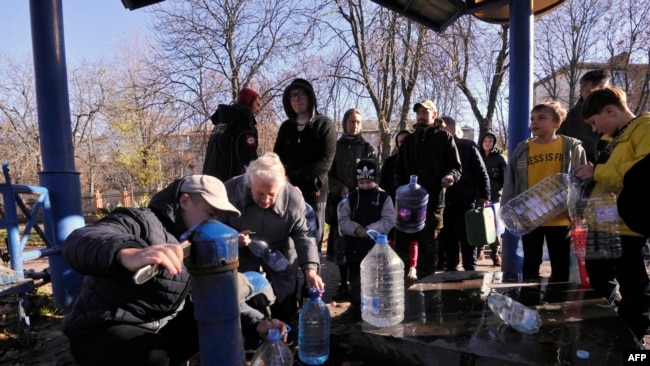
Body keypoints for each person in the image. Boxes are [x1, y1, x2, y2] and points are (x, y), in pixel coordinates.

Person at [61, 175, 286, 366]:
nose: (215, 222)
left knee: (225, 331)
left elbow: (214, 297)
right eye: (210, 213)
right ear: (185, 200)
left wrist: (257, 323)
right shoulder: (141, 221)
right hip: (105, 327)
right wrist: (128, 253)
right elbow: (80, 241)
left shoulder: (200, 239)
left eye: (219, 216)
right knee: (153, 356)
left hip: (163, 325)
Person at [574, 87, 650, 341]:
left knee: (633, 287)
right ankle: (603, 334)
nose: (595, 130)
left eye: (595, 123)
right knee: (598, 285)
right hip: (600, 223)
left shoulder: (645, 128)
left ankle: (633, 345)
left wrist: (597, 172)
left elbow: (642, 172)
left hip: (628, 227)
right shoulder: (609, 140)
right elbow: (602, 177)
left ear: (610, 111)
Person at [222, 152, 324, 324]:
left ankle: (286, 324)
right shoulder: (230, 191)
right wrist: (232, 237)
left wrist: (310, 269)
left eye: (272, 195)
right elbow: (215, 223)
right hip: (242, 248)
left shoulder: (293, 198)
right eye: (260, 194)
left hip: (281, 245)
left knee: (285, 287)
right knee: (242, 288)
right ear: (249, 184)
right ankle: (251, 330)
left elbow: (303, 235)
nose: (266, 200)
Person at [502, 101, 587, 282]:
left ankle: (557, 304)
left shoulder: (571, 147)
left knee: (560, 265)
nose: (535, 122)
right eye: (532, 118)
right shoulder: (522, 149)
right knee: (530, 263)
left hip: (561, 218)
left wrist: (580, 211)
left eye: (541, 118)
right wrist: (507, 210)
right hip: (531, 217)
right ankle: (530, 301)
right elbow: (511, 181)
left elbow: (582, 182)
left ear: (556, 122)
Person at [394, 100, 462, 278]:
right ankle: (402, 286)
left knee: (428, 248)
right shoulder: (409, 140)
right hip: (407, 204)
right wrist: (400, 190)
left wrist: (450, 177)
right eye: (418, 113)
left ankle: (426, 288)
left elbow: (456, 167)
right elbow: (399, 169)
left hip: (433, 203)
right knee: (402, 247)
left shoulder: (445, 138)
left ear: (434, 114)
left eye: (425, 112)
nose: (421, 116)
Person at [273, 78, 337, 253]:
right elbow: (277, 158)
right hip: (287, 193)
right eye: (293, 95)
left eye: (301, 94)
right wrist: (281, 178)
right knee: (287, 243)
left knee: (311, 241)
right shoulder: (286, 127)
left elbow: (324, 164)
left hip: (314, 194)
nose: (297, 99)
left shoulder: (325, 125)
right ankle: (290, 279)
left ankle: (312, 277)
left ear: (310, 97)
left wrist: (291, 177)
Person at [326, 108, 377, 301]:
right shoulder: (335, 147)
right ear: (345, 123)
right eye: (351, 122)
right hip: (339, 205)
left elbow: (374, 173)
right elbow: (326, 175)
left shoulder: (366, 148)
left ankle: (359, 284)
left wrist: (361, 189)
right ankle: (343, 283)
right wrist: (340, 188)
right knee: (342, 246)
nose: (354, 125)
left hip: (361, 205)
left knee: (359, 245)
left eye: (358, 122)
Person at [338, 158, 395, 319]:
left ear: (375, 180)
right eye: (361, 182)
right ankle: (356, 305)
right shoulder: (352, 197)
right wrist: (355, 229)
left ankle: (374, 308)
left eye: (367, 183)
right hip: (354, 246)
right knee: (355, 278)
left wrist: (370, 230)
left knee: (374, 280)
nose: (364, 186)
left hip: (374, 247)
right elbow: (343, 220)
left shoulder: (384, 197)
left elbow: (388, 220)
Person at [439, 116, 491, 272]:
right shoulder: (437, 148)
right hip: (443, 201)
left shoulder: (467, 146)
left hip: (465, 199)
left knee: (468, 237)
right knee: (448, 237)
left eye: (442, 128)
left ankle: (470, 269)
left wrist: (485, 195)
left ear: (452, 129)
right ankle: (451, 267)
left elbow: (481, 172)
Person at [203, 87, 261, 181]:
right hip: (231, 186)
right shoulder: (244, 126)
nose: (259, 110)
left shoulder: (220, 124)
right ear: (249, 102)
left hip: (209, 182)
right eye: (257, 105)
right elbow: (248, 159)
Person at [557, 69, 610, 163]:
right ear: (581, 92)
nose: (596, 96)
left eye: (601, 90)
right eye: (590, 92)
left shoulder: (617, 118)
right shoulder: (567, 119)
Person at [478, 131, 507, 266]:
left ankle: (495, 253)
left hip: (495, 194)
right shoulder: (477, 154)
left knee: (494, 224)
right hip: (478, 194)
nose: (487, 143)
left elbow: (505, 176)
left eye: (490, 141)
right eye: (485, 140)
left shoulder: (499, 157)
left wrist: (503, 189)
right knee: (478, 222)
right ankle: (479, 250)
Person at [379, 130, 410, 202]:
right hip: (392, 201)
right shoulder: (390, 162)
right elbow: (383, 183)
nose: (404, 144)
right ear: (398, 144)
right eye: (401, 142)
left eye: (407, 141)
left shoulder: (417, 160)